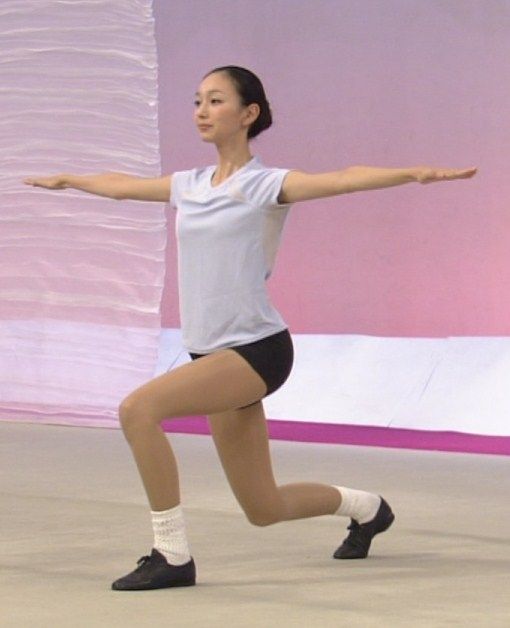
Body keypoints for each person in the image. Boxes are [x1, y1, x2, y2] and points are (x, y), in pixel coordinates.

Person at [24, 65, 477, 591]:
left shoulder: (265, 185)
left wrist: (414, 173)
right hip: (211, 357)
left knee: (138, 410)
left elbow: (343, 178)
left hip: (256, 350)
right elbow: (123, 187)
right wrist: (71, 180)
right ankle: (369, 508)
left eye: (216, 101)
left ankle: (172, 555)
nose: (202, 111)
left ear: (249, 113)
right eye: (197, 101)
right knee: (264, 507)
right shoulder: (190, 185)